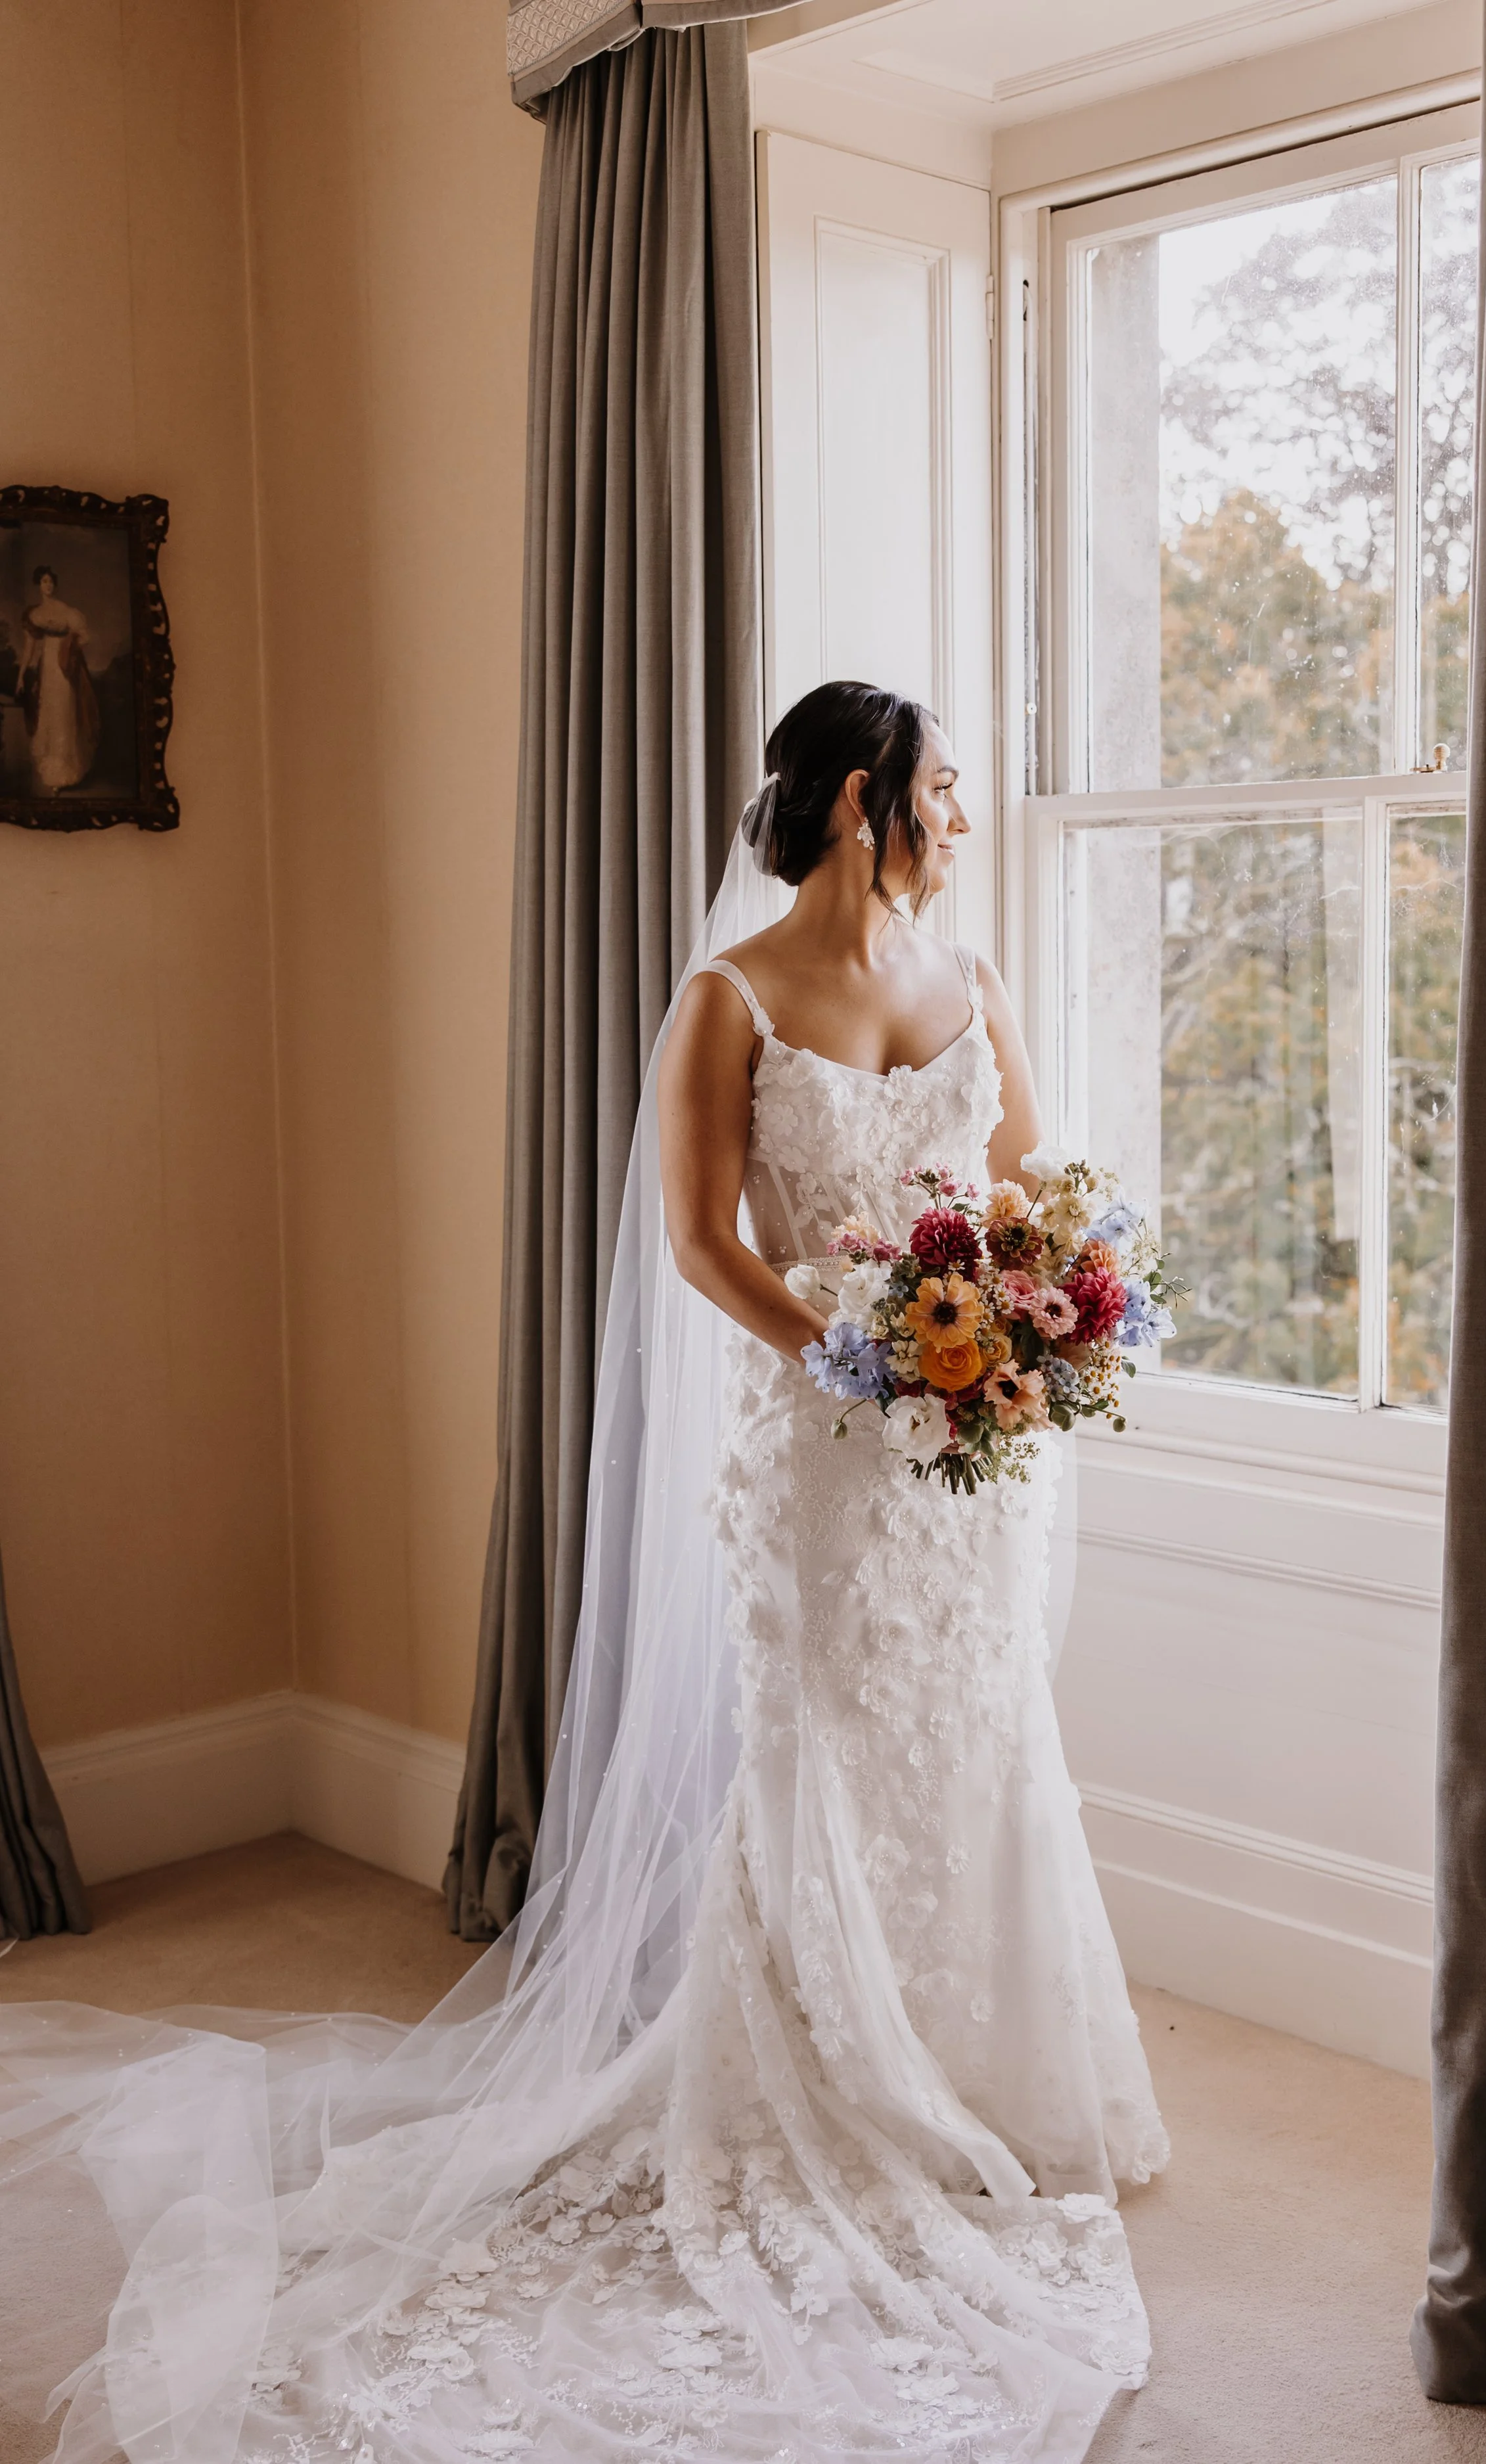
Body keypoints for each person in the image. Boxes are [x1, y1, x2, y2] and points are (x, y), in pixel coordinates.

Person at [0, 683, 1164, 2464]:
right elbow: (702, 1236)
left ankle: (986, 2076)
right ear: (859, 803)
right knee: (829, 1756)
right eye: (938, 787)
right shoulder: (732, 997)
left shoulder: (972, 980)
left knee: (977, 1734)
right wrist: (861, 1359)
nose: (958, 816)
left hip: (966, 1461)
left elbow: (1016, 1187)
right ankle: (827, 2093)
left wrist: (1032, 1313)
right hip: (832, 1446)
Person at [18, 566, 99, 792]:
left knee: (64, 712)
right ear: (39, 585)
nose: (48, 586)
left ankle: (65, 772)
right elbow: (29, 648)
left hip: (63, 668)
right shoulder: (34, 614)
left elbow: (85, 637)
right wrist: (21, 676)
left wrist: (69, 646)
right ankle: (51, 772)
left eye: (51, 582)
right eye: (44, 582)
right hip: (47, 668)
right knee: (49, 713)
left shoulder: (66, 611)